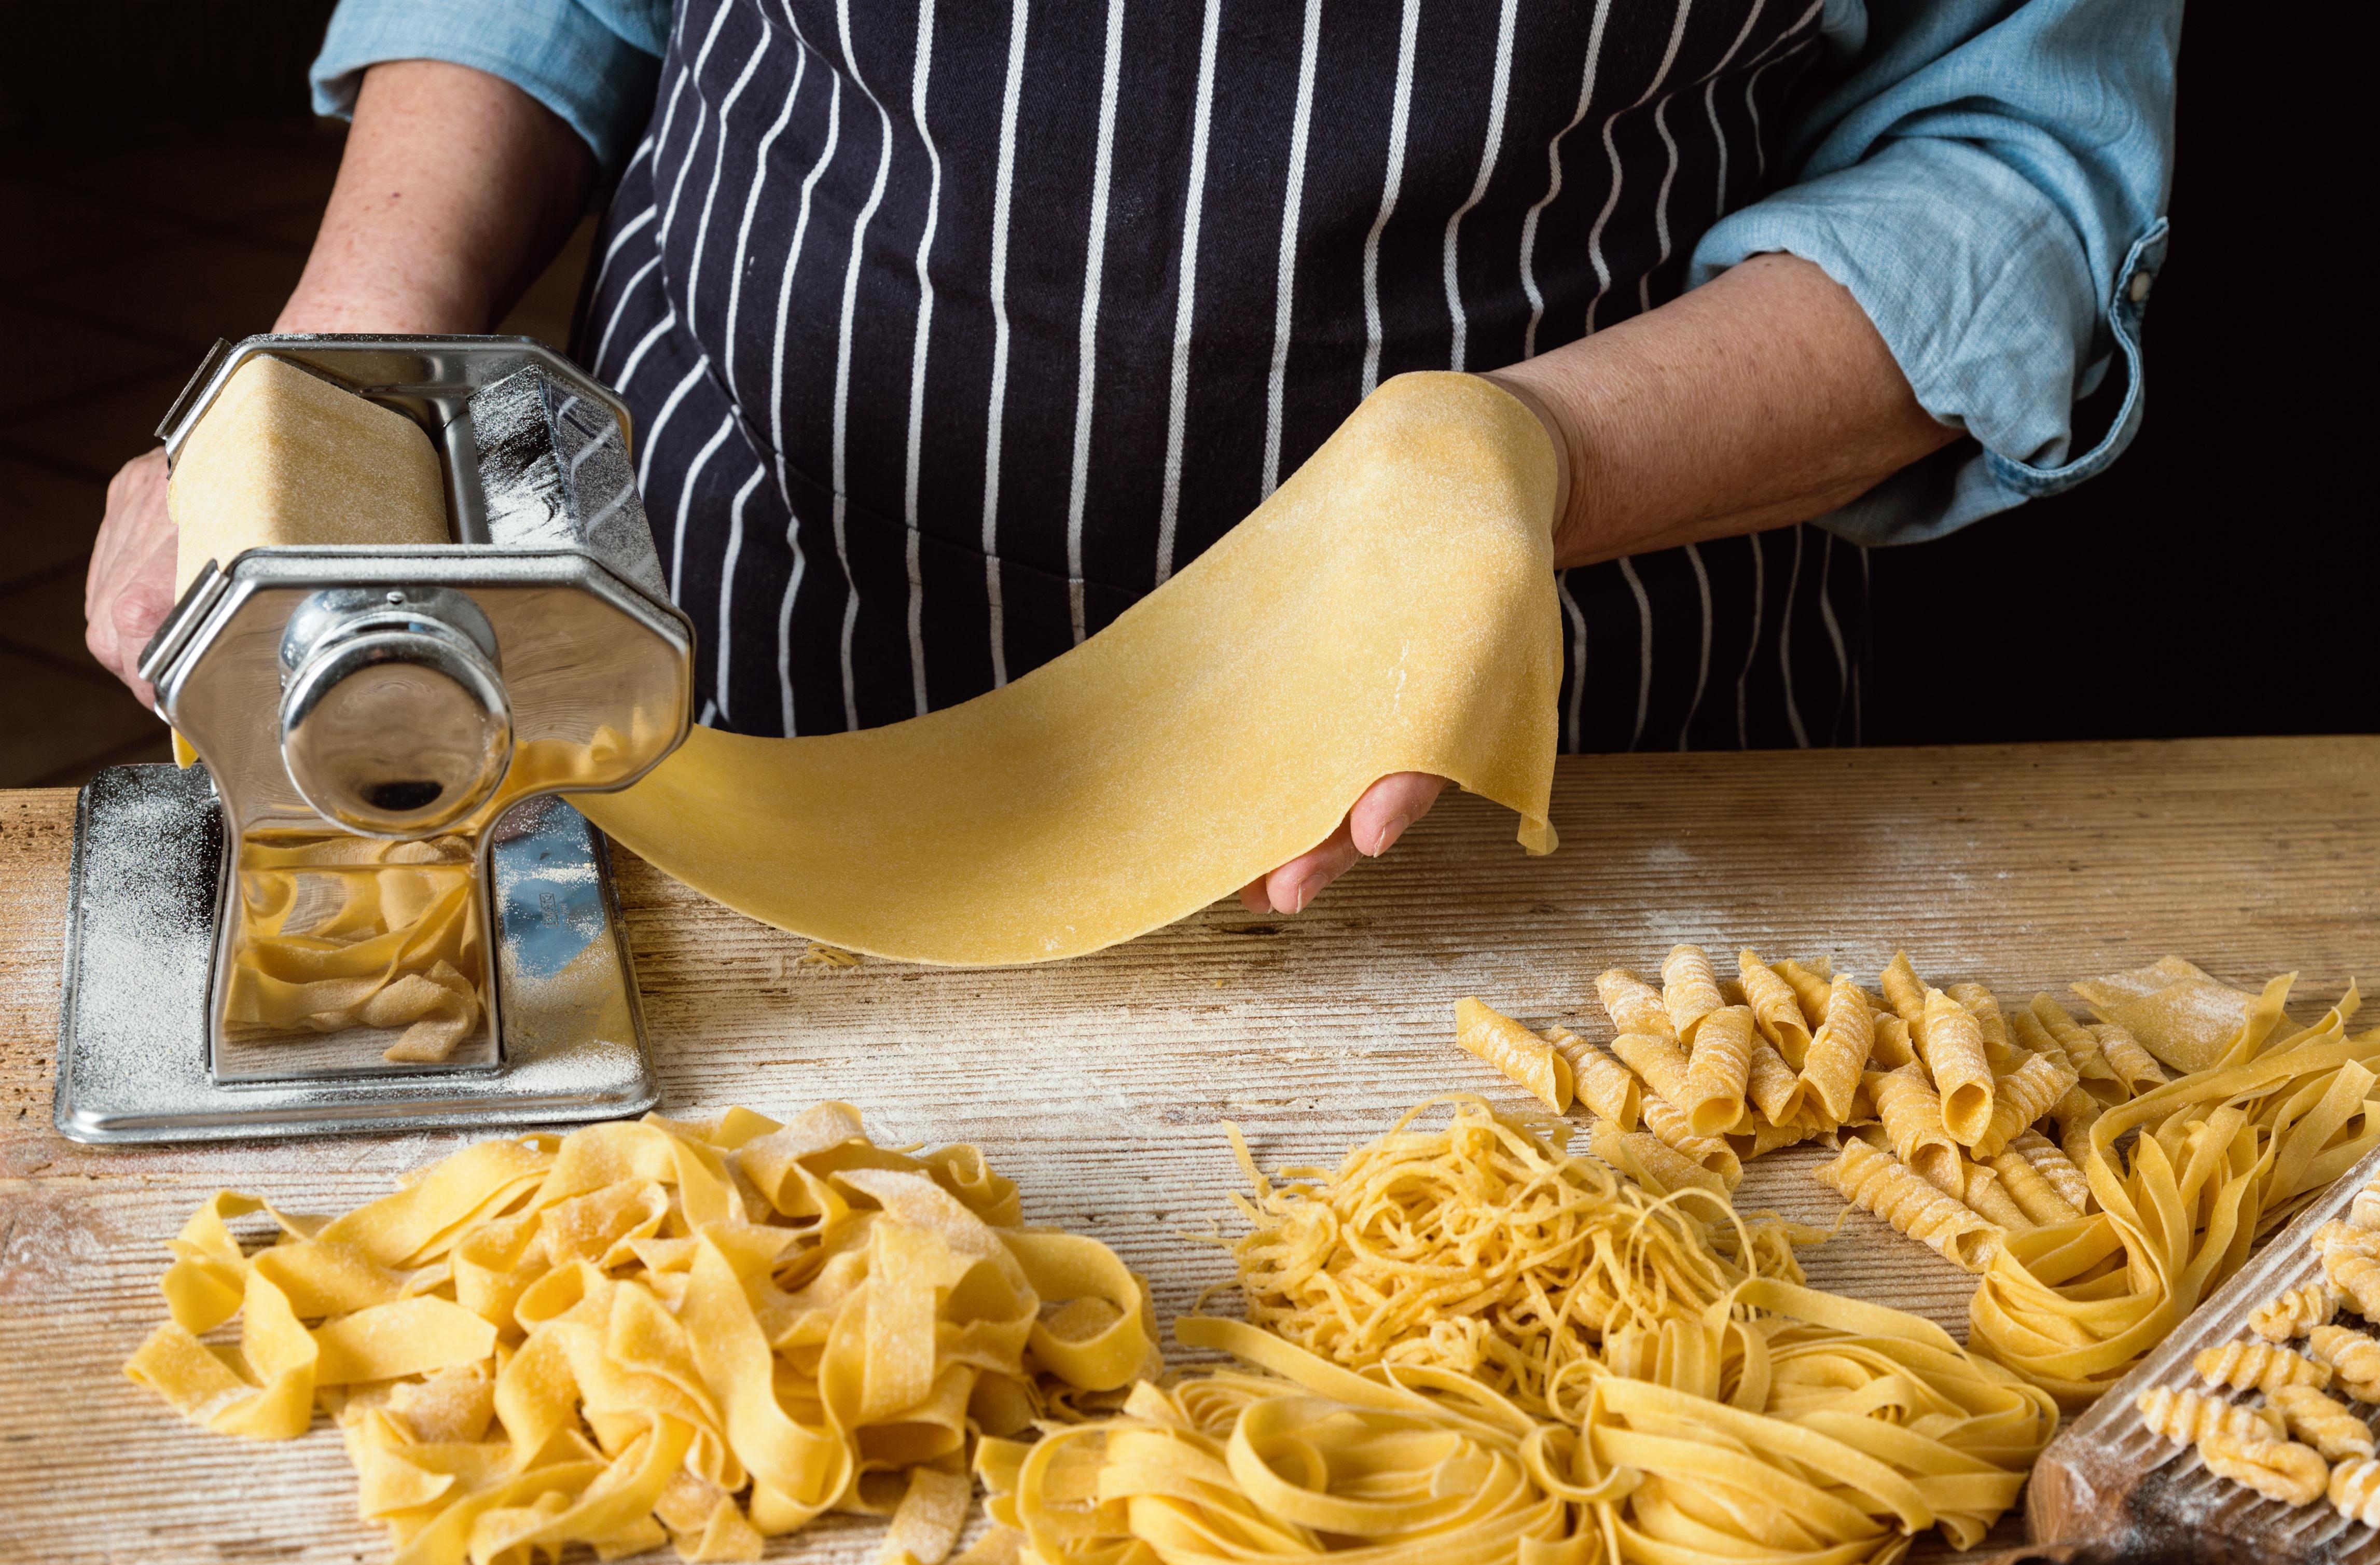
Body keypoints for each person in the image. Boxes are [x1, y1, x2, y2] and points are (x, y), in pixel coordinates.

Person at [85, 0, 2177, 915]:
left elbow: (2007, 173)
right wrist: (351, 377)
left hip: (1535, 783)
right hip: (737, 677)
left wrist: (1512, 466)